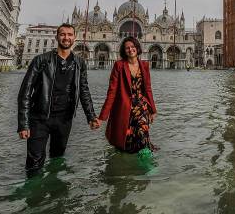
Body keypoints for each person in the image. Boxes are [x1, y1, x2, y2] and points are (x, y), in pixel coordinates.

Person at [17, 23, 101, 176]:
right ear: (57, 37)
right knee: (34, 163)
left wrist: (91, 116)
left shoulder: (79, 63)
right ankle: (34, 195)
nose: (66, 37)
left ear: (75, 38)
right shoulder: (41, 60)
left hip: (64, 120)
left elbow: (83, 90)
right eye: (63, 34)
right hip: (40, 118)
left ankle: (54, 193)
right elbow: (25, 92)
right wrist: (23, 123)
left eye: (69, 35)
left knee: (57, 158)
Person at [99, 36, 157, 154]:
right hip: (125, 107)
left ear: (137, 48)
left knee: (142, 134)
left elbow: (148, 89)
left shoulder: (144, 65)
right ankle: (128, 167)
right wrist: (102, 117)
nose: (130, 49)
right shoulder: (119, 65)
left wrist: (153, 110)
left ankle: (147, 165)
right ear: (123, 51)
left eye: (133, 47)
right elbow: (112, 91)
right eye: (127, 48)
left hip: (142, 107)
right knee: (127, 140)